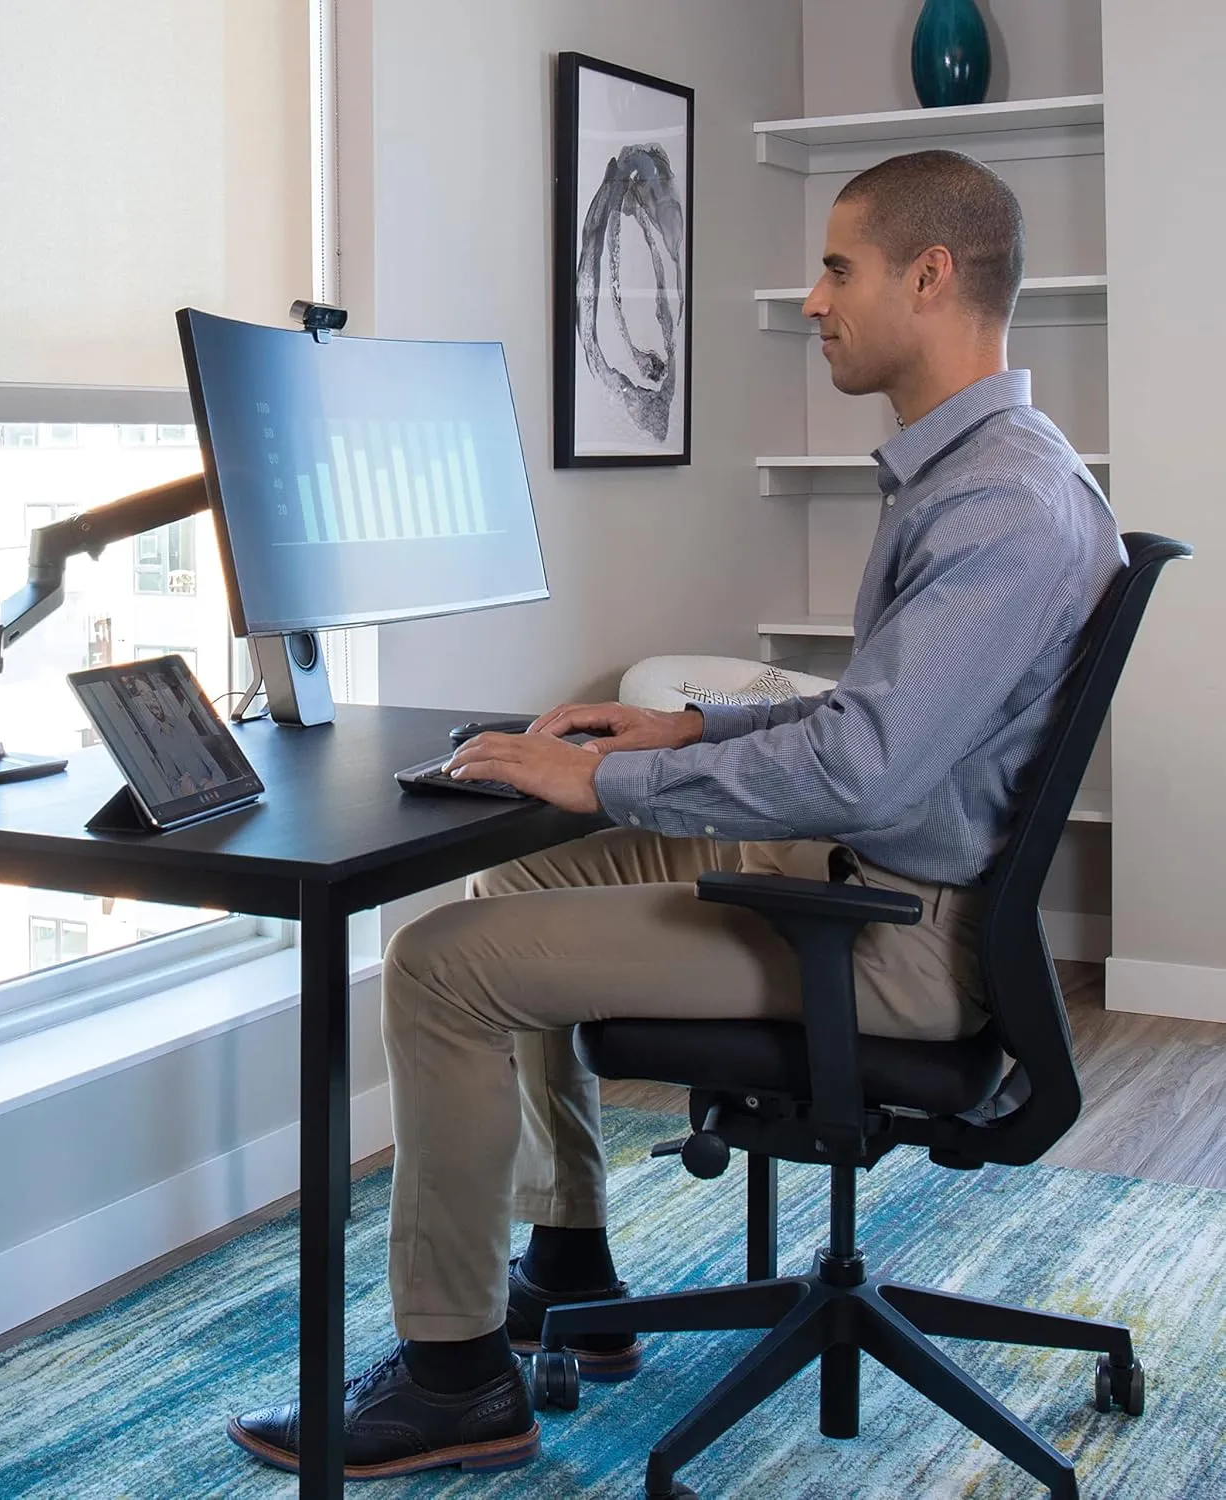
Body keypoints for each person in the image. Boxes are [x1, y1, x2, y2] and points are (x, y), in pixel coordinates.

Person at [226, 148, 1125, 1480]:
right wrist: (688, 729)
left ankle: (453, 1380)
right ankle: (568, 1265)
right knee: (517, 887)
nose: (813, 299)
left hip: (892, 931)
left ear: (930, 278)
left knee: (437, 969)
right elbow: (888, 713)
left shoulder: (1000, 505)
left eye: (838, 267)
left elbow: (872, 765)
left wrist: (606, 778)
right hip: (881, 869)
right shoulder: (990, 467)